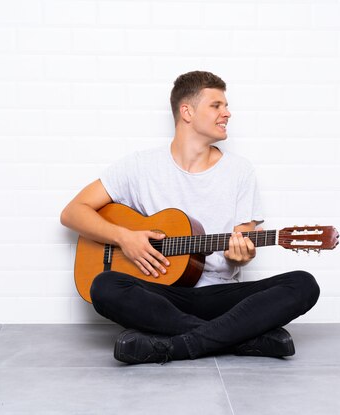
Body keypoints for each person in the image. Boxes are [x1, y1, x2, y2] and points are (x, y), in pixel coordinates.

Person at [60, 71, 320, 364]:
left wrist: (241, 256)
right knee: (103, 286)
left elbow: (241, 246)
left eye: (226, 106)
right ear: (187, 111)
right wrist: (124, 237)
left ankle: (174, 345)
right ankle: (241, 338)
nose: (227, 113)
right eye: (216, 105)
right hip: (162, 297)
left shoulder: (239, 171)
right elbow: (73, 212)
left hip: (222, 297)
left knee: (303, 284)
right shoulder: (139, 167)